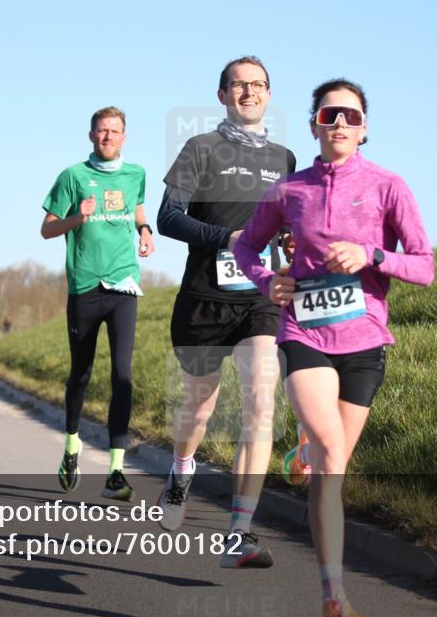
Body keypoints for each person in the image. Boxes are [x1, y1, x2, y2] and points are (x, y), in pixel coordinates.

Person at [233, 78, 435, 617]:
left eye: (350, 115)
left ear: (365, 127)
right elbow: (245, 244)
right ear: (314, 125)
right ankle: (334, 602)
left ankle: (301, 447)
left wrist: (372, 254)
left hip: (365, 341)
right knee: (330, 454)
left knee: (331, 466)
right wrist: (266, 279)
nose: (340, 123)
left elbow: (424, 265)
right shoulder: (289, 191)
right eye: (330, 114)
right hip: (305, 334)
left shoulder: (389, 186)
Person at [155, 56, 296, 568]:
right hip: (203, 301)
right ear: (222, 95)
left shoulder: (284, 158)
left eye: (258, 85)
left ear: (269, 94)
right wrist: (227, 239)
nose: (249, 92)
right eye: (239, 85)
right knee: (199, 410)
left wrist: (290, 239)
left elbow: (289, 222)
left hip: (259, 299)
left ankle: (240, 531)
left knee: (261, 403)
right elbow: (167, 216)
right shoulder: (200, 149)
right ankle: (181, 470)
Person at [41, 106, 155, 501]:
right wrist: (77, 218)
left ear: (125, 137)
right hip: (85, 287)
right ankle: (72, 447)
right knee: (82, 373)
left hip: (124, 286)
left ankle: (116, 472)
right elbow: (45, 229)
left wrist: (145, 229)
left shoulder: (136, 173)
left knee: (122, 376)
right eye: (102, 131)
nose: (108, 137)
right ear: (91, 136)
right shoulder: (72, 176)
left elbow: (136, 206)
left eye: (115, 131)